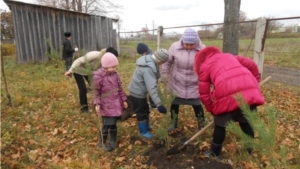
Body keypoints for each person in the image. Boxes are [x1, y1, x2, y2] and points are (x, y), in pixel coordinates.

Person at [194, 46, 265, 158]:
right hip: (248, 88)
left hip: (226, 91)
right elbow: (251, 64)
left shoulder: (204, 65)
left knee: (220, 124)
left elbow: (204, 93)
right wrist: (255, 81)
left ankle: (215, 153)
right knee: (246, 122)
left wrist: (211, 109)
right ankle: (248, 152)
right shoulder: (229, 55)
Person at [161, 28, 206, 132]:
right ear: (182, 41)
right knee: (175, 103)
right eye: (186, 44)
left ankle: (201, 125)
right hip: (177, 81)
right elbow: (167, 62)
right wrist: (164, 75)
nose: (189, 47)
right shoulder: (174, 47)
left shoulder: (203, 49)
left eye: (192, 44)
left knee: (197, 104)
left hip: (194, 82)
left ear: (196, 42)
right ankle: (173, 123)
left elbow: (207, 65)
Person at [129, 48, 169, 139]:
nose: (162, 65)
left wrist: (158, 69)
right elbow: (152, 88)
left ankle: (146, 127)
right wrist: (159, 105)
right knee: (141, 112)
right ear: (160, 60)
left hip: (140, 90)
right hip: (137, 92)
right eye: (162, 63)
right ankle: (143, 132)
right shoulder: (148, 69)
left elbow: (156, 76)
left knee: (146, 109)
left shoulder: (149, 60)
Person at [64, 47, 118, 113]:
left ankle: (97, 104)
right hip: (78, 70)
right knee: (83, 88)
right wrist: (70, 71)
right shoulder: (95, 55)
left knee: (95, 88)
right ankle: (84, 109)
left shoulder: (106, 62)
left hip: (89, 72)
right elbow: (78, 61)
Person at [92, 53, 128, 151]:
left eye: (115, 67)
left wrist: (124, 99)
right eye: (113, 67)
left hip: (115, 104)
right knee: (106, 124)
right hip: (106, 105)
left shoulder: (115, 75)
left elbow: (120, 88)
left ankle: (113, 139)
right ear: (106, 66)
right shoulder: (98, 77)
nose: (115, 69)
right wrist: (97, 103)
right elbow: (95, 91)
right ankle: (102, 141)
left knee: (113, 123)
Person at [136, 43, 156, 108]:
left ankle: (153, 103)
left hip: (152, 74)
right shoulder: (145, 54)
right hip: (146, 74)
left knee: (152, 88)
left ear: (145, 51)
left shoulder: (151, 56)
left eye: (142, 53)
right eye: (140, 54)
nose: (141, 55)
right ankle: (146, 102)